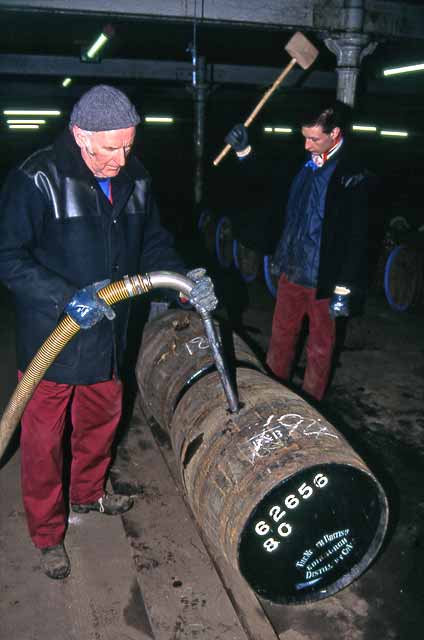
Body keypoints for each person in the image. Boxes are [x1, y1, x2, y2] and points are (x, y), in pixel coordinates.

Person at [0, 85, 217, 580]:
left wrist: (185, 281)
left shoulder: (135, 177)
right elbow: (8, 257)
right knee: (42, 442)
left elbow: (155, 243)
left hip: (108, 337)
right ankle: (47, 532)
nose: (122, 159)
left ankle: (88, 493)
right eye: (111, 148)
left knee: (100, 422)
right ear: (80, 135)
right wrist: (65, 297)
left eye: (128, 146)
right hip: (51, 338)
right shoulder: (37, 179)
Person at [224, 102, 374, 402]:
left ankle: (312, 408)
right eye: (304, 137)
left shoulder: (353, 174)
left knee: (320, 348)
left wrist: (345, 286)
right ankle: (274, 398)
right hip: (292, 271)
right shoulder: (305, 160)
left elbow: (359, 236)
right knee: (280, 341)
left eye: (314, 139)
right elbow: (269, 177)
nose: (306, 145)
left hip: (324, 281)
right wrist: (244, 152)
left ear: (335, 133)